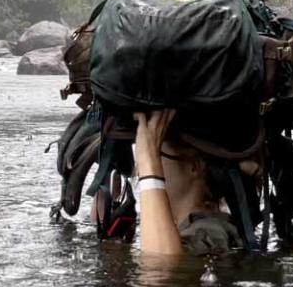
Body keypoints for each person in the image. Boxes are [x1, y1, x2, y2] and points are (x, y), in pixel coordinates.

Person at [91, 108, 249, 256]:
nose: (140, 172)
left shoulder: (209, 231)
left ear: (194, 166)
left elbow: (162, 277)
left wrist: (150, 171)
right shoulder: (197, 227)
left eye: (156, 155)